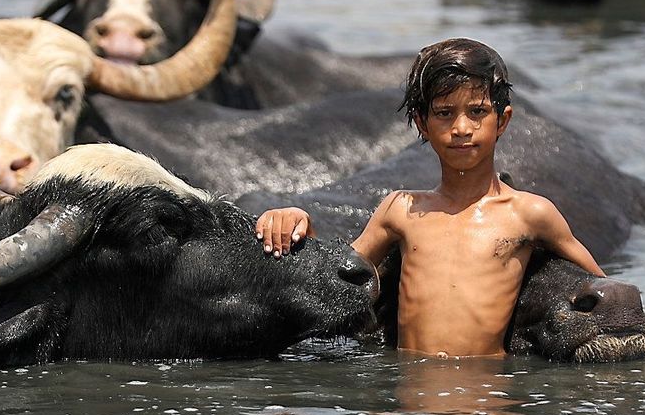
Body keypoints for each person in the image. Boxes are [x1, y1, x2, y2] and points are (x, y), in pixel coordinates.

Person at [255, 37, 605, 358]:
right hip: (413, 405)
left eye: (478, 111)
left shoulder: (530, 213)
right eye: (444, 113)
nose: (462, 128)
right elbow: (342, 277)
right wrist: (299, 222)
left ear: (502, 121)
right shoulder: (401, 209)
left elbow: (602, 291)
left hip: (491, 407)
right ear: (422, 124)